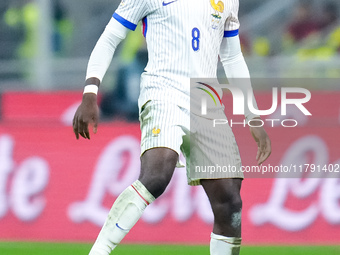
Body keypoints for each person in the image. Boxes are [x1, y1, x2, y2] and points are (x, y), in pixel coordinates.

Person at [73, 0, 271, 254]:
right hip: (163, 91)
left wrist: (251, 115)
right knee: (157, 174)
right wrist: (91, 91)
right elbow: (111, 36)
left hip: (206, 101)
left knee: (230, 201)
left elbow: (232, 56)